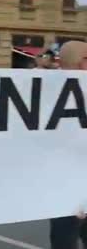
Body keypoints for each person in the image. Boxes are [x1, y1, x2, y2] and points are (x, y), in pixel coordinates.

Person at [49, 41, 87, 249]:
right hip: (67, 185)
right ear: (83, 63)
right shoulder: (53, 93)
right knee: (66, 238)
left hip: (70, 183)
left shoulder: (43, 89)